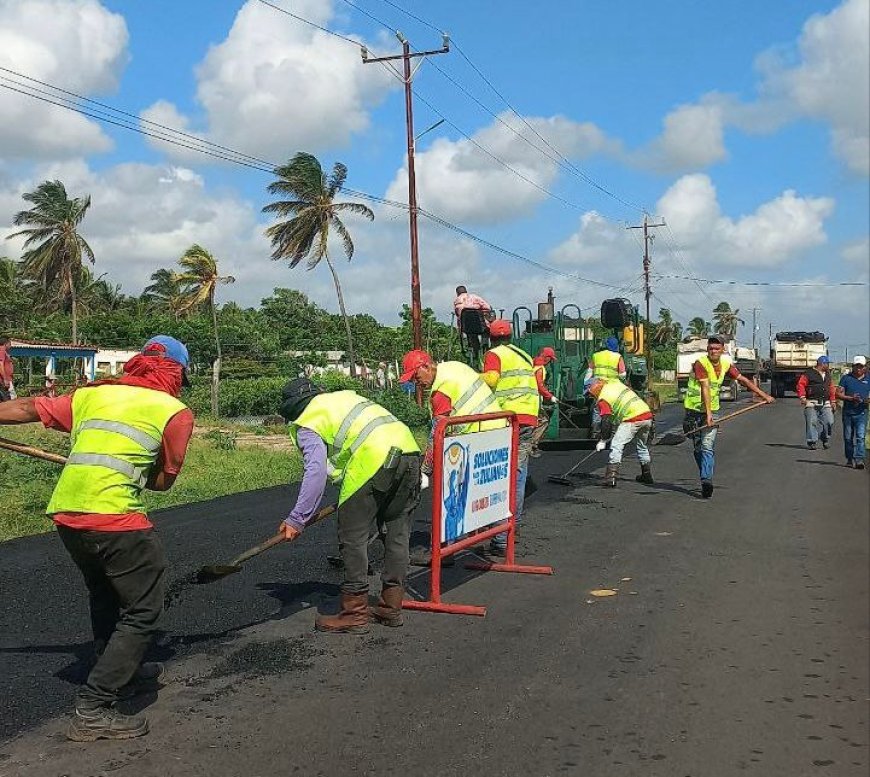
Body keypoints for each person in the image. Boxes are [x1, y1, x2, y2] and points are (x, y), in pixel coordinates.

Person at [0, 336, 194, 741]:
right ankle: (95, 706)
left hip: (69, 517)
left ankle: (119, 670)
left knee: (106, 595)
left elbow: (24, 407)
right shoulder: (176, 412)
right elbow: (163, 483)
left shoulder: (93, 395)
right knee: (143, 609)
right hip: (115, 520)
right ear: (177, 373)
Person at [278, 378, 422, 633]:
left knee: (353, 537)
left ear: (292, 409)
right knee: (398, 535)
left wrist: (297, 518)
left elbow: (315, 471)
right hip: (410, 452)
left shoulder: (309, 421)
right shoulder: (341, 400)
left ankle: (354, 614)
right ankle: (391, 608)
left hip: (373, 460)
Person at [399, 350, 503, 562]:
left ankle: (445, 551)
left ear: (426, 366)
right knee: (492, 488)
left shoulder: (441, 391)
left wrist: (425, 469)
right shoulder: (454, 367)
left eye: (416, 376)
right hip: (498, 430)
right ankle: (496, 540)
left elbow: (437, 432)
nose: (417, 383)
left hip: (478, 435)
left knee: (449, 491)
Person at [683, 334, 774, 498]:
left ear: (722, 350)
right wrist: (708, 414)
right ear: (707, 349)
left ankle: (706, 480)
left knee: (707, 447)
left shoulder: (726, 364)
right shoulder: (700, 364)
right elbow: (704, 388)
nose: (713, 351)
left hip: (712, 411)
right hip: (693, 411)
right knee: (697, 449)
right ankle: (705, 473)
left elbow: (743, 380)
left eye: (717, 348)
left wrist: (764, 395)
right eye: (711, 348)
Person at [481, 320, 540, 555]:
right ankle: (512, 529)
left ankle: (501, 539)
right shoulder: (524, 355)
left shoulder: (494, 354)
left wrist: (475, 376)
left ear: (491, 337)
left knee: (502, 475)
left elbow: (493, 380)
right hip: (529, 416)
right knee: (519, 473)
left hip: (508, 418)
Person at [588, 378, 654, 486]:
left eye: (591, 394)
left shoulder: (603, 399)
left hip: (632, 418)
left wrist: (603, 440)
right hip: (646, 415)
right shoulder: (615, 384)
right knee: (642, 446)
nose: (592, 397)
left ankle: (611, 478)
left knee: (616, 445)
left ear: (595, 390)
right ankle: (646, 475)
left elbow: (606, 420)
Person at [584, 336, 627, 437]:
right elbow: (623, 374)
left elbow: (589, 372)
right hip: (612, 387)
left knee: (597, 409)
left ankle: (595, 432)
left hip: (598, 387)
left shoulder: (596, 356)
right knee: (614, 409)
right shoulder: (617, 357)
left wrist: (586, 386)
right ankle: (613, 433)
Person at [836, 355, 870, 469]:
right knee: (848, 437)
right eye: (857, 366)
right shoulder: (846, 378)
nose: (859, 369)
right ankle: (849, 458)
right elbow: (838, 393)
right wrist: (850, 398)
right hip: (848, 412)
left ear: (865, 367)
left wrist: (867, 400)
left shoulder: (868, 379)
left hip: (862, 412)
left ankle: (859, 459)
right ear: (853, 366)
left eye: (861, 367)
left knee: (860, 437)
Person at [797, 355, 836, 449]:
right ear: (822, 364)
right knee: (812, 421)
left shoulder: (828, 375)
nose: (828, 366)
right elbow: (801, 384)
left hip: (825, 402)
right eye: (827, 364)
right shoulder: (808, 373)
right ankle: (812, 441)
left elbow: (831, 388)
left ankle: (825, 438)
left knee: (829, 421)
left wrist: (833, 401)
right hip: (811, 401)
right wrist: (802, 397)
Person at [453, 285, 493, 366]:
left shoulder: (457, 302)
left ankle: (476, 353)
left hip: (467, 328)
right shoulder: (474, 297)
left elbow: (458, 316)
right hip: (481, 325)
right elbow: (488, 307)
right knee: (486, 331)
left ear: (457, 293)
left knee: (472, 334)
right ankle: (484, 346)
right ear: (466, 291)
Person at [530, 346, 557, 457]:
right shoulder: (540, 369)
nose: (550, 361)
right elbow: (540, 386)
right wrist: (550, 396)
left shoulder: (531, 364)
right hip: (534, 400)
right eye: (550, 359)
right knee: (544, 421)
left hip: (527, 399)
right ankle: (532, 445)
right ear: (546, 358)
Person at [0, 335, 14, 402]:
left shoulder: (4, 352)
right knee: (9, 402)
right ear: (6, 344)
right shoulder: (1, 350)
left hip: (6, 380)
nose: (10, 346)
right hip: (3, 380)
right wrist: (5, 379)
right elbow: (0, 364)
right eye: (10, 344)